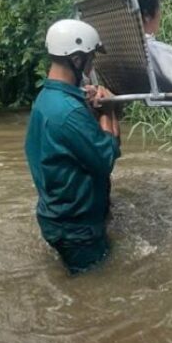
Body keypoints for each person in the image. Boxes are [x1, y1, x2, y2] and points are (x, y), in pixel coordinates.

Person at [24, 19, 121, 274]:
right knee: (96, 291)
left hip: (57, 219)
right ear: (77, 60)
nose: (91, 66)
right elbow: (106, 158)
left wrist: (90, 109)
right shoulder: (68, 112)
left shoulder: (48, 98)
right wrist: (108, 112)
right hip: (77, 229)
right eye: (90, 59)